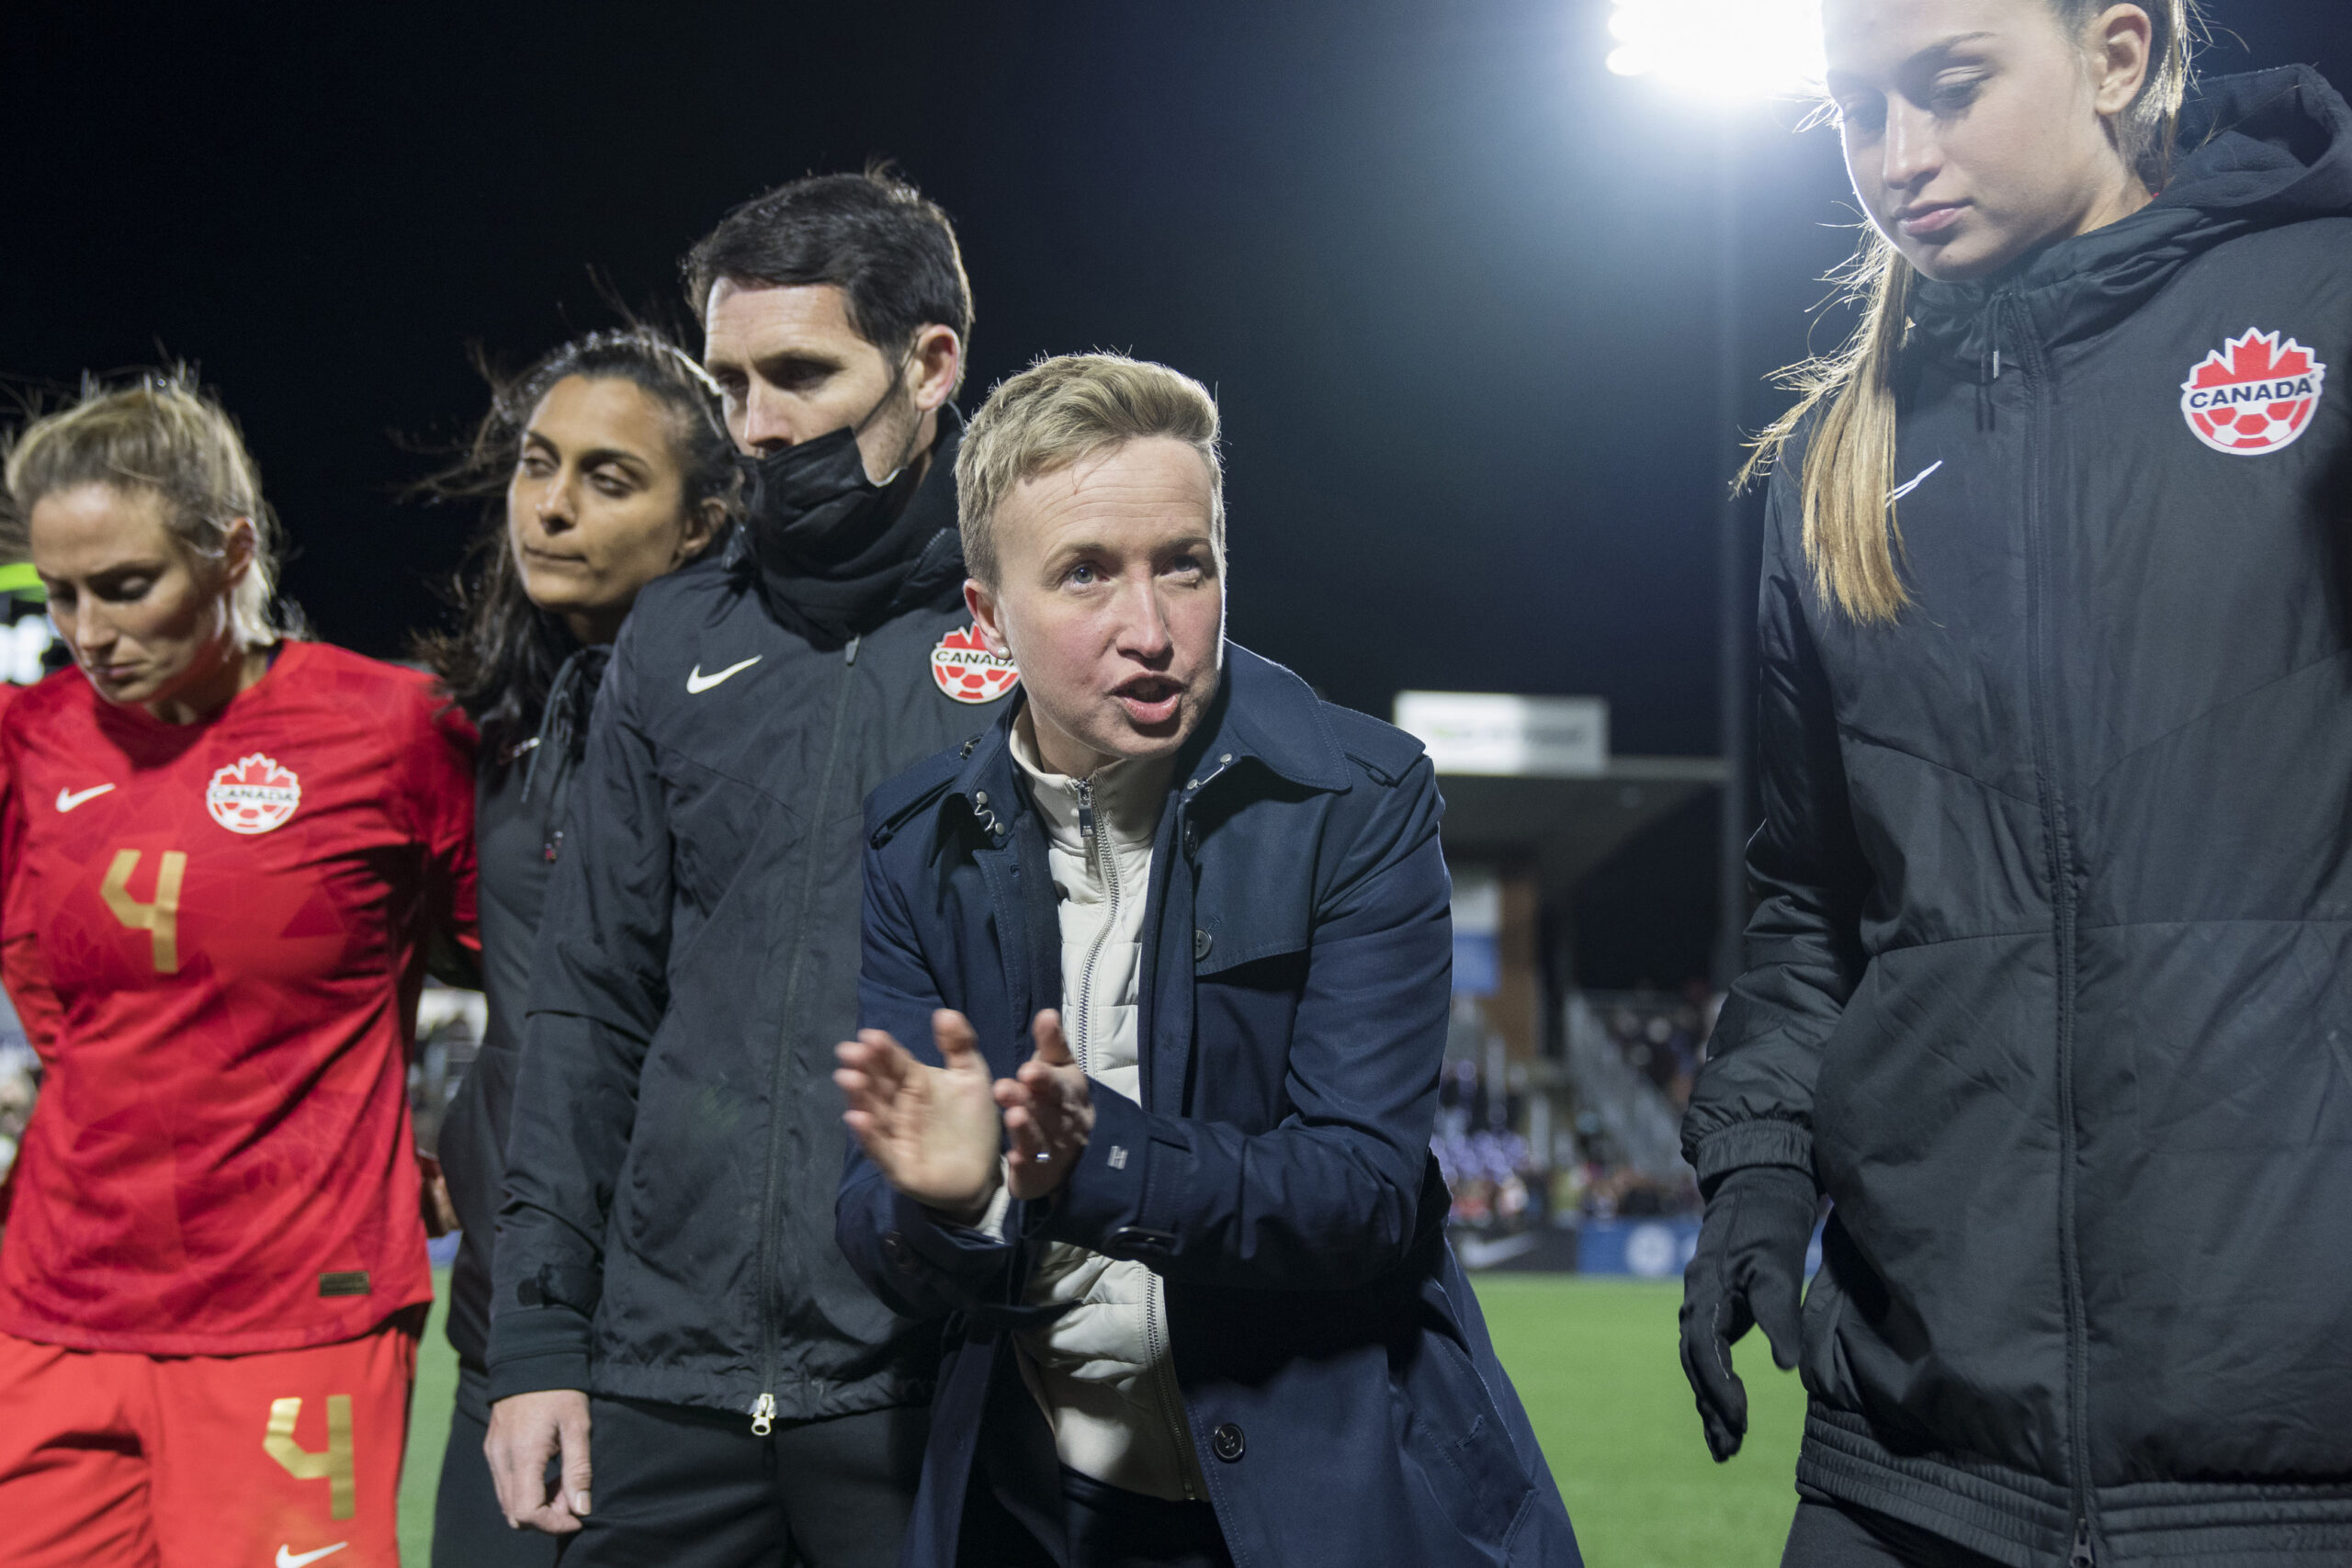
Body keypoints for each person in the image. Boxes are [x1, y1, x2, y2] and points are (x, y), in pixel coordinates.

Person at [1678, 4, 2352, 1564]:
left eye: (1951, 87)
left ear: (2117, 54)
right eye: (1855, 111)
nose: (1900, 157)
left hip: (2282, 1468)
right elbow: (1809, 907)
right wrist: (1759, 1170)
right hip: (1910, 1455)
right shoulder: (1833, 460)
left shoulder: (2324, 322)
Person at [832, 353, 1583, 1568]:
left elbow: (1364, 1194)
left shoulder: (1359, 796)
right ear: (988, 617)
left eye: (1183, 563)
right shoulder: (917, 841)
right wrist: (948, 1193)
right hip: (1037, 1513)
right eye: (1085, 574)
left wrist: (1087, 1161)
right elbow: (874, 1224)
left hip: (1322, 1503)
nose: (1150, 628)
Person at [485, 169, 1001, 1565]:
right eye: (729, 383)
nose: (757, 426)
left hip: (927, 1379)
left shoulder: (1025, 636)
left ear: (930, 363)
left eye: (799, 374)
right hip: (662, 1384)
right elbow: (587, 1007)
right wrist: (537, 1337)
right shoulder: (666, 640)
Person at [0, 373, 478, 1568]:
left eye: (125, 587)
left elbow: (535, 975)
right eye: (61, 596)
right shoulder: (30, 742)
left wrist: (474, 1147)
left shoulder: (394, 728)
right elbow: (49, 992)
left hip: (295, 1308)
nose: (89, 633)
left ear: (232, 552)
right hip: (58, 1307)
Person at [414, 325, 735, 1568]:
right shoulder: (486, 730)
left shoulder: (754, 731)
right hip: (509, 1324)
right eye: (538, 465)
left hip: (682, 1337)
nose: (550, 508)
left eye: (609, 479)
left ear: (703, 522)